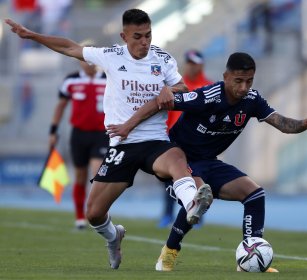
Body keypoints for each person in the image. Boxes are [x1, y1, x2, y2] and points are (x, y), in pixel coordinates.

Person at [5, 8, 213, 270]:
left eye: (148, 35)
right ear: (124, 36)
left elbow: (182, 88)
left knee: (176, 158)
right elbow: (70, 47)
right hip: (121, 143)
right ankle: (114, 237)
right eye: (137, 36)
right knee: (93, 213)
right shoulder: (111, 55)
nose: (145, 42)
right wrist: (32, 35)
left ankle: (192, 202)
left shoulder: (163, 58)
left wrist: (170, 89)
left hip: (155, 140)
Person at [106, 52, 307, 272]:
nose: (244, 87)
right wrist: (128, 126)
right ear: (226, 77)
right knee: (200, 197)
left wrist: (304, 123)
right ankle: (169, 253)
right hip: (178, 160)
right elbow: (159, 102)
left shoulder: (252, 100)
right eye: (238, 81)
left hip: (209, 162)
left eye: (249, 81)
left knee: (255, 195)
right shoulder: (207, 97)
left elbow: (281, 122)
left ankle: (250, 257)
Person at [49, 51, 108, 230]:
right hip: (79, 134)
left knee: (97, 175)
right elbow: (60, 105)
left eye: (90, 61)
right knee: (80, 176)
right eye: (84, 61)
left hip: (101, 134)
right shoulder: (71, 80)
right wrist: (53, 130)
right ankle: (79, 217)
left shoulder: (107, 78)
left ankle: (97, 213)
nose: (87, 64)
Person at [158, 49, 213, 228]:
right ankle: (167, 214)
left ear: (202, 64)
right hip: (173, 139)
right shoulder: (178, 85)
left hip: (198, 141)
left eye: (195, 63)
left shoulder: (208, 86)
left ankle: (198, 215)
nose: (191, 66)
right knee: (171, 180)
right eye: (189, 62)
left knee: (197, 177)